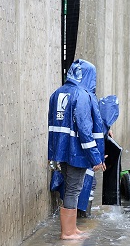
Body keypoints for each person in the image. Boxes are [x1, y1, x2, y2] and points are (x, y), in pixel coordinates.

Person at [48, 59, 106, 240]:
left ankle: (72, 229)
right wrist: (96, 158)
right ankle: (68, 232)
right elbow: (84, 129)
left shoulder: (57, 93)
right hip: (76, 151)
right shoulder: (81, 95)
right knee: (73, 189)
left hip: (60, 149)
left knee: (71, 187)